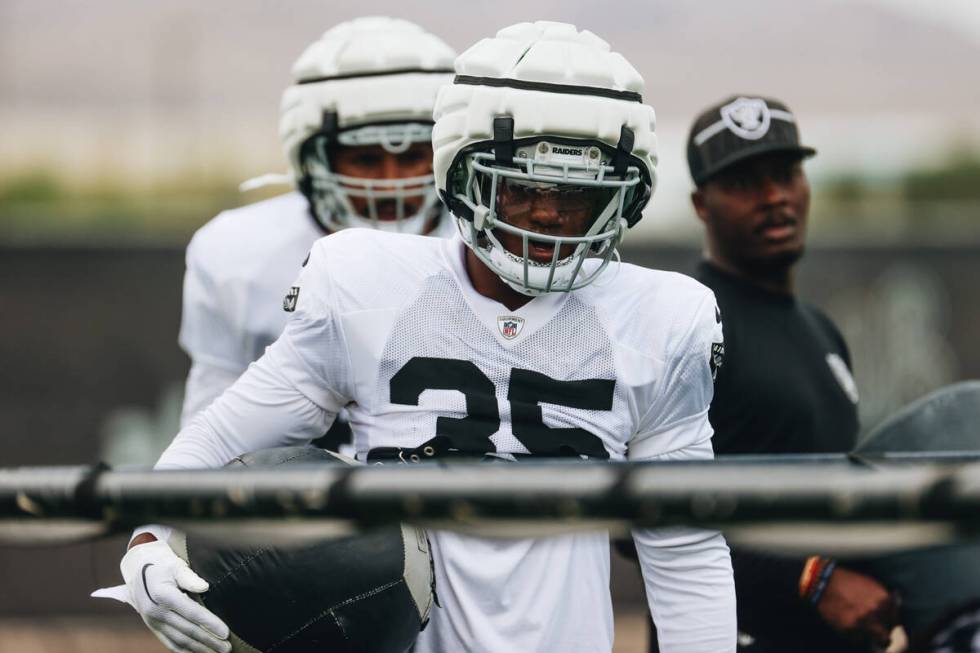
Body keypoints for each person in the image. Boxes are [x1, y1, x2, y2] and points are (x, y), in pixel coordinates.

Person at [115, 21, 736, 653]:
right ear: (463, 176)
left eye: (575, 193)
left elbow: (684, 549)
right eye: (521, 187)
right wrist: (147, 540)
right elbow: (222, 437)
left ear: (622, 197)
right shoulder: (365, 284)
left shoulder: (660, 319)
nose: (548, 215)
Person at [178, 16, 457, 452]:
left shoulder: (490, 250)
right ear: (312, 159)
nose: (390, 182)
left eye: (414, 156)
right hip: (300, 513)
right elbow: (213, 429)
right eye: (365, 159)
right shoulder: (237, 256)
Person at [688, 95, 898, 651]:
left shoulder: (821, 330)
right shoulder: (685, 324)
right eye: (744, 182)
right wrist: (811, 578)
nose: (774, 197)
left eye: (785, 175)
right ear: (700, 204)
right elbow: (640, 521)